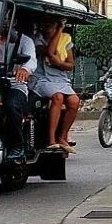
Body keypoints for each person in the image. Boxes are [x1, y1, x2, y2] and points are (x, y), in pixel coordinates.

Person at [33, 20, 80, 153]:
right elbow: (50, 52)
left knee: (74, 101)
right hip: (42, 79)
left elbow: (70, 65)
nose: (47, 29)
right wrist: (58, 31)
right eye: (45, 26)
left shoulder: (66, 40)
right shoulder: (38, 40)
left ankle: (63, 136)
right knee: (58, 97)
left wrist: (59, 63)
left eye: (51, 26)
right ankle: (51, 139)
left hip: (60, 79)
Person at [1, 22, 38, 160]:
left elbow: (31, 61)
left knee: (11, 106)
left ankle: (16, 145)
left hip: (14, 85)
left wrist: (24, 69)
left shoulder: (24, 41)